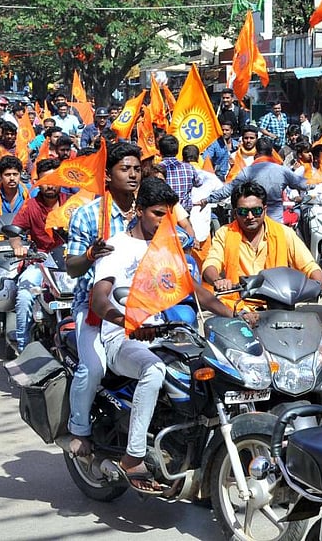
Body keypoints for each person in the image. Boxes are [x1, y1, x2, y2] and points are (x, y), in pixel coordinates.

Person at [90, 177, 235, 493]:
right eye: (158, 213)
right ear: (139, 210)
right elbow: (99, 301)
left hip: (163, 337)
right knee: (153, 371)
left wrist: (235, 314)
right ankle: (133, 457)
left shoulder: (165, 251)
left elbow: (199, 293)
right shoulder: (117, 247)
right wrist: (128, 322)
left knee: (211, 373)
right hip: (123, 338)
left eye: (169, 215)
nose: (164, 221)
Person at [65, 143, 142, 457]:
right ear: (108, 176)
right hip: (95, 309)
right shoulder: (87, 215)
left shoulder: (147, 213)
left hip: (144, 307)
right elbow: (71, 267)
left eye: (137, 169)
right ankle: (79, 429)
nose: (133, 175)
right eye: (125, 169)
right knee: (93, 368)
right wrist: (89, 255)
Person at [201, 181, 322, 295]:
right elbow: (211, 263)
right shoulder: (224, 233)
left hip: (278, 304)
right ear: (235, 213)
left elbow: (308, 265)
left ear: (265, 210)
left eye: (256, 211)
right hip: (236, 307)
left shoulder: (284, 233)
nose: (250, 216)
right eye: (243, 212)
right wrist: (218, 281)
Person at [9, 158, 68, 351]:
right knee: (25, 295)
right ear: (38, 183)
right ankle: (23, 347)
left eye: (54, 180)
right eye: (45, 181)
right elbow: (15, 232)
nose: (50, 185)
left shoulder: (73, 203)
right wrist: (18, 246)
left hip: (69, 263)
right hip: (40, 261)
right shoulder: (30, 206)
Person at [200, 138, 308, 223]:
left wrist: (207, 200)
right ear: (271, 152)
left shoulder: (248, 171)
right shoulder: (283, 171)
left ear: (256, 152)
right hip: (276, 222)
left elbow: (228, 190)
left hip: (253, 221)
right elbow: (304, 184)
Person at [156, 134, 202, 212]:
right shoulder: (189, 167)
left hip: (165, 213)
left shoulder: (156, 169)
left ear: (160, 151)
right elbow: (199, 183)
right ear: (177, 151)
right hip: (184, 213)